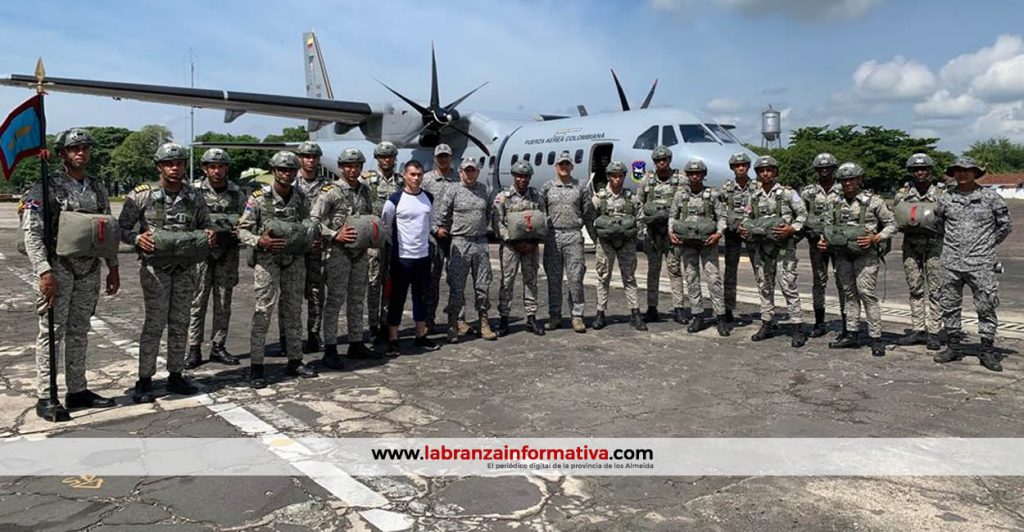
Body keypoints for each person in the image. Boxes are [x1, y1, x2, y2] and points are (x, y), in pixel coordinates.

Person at [22, 128, 119, 421]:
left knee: (79, 330)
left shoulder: (97, 187)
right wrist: (44, 271)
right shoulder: (46, 186)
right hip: (59, 267)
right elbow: (33, 233)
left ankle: (77, 390)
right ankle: (46, 395)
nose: (81, 152)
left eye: (85, 148)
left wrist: (112, 266)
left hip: (88, 268)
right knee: (51, 332)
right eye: (74, 148)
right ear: (62, 153)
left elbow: (105, 229)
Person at [118, 142, 214, 403]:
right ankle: (145, 379)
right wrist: (138, 239)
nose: (175, 167)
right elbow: (122, 228)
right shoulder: (142, 195)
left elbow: (206, 225)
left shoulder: (195, 196)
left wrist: (208, 235)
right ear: (159, 166)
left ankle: (175, 374)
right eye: (169, 163)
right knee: (154, 323)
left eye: (180, 163)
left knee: (181, 323)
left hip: (185, 269)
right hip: (156, 269)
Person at [237, 151, 319, 388]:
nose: (287, 174)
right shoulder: (259, 199)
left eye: (292, 170)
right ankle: (256, 366)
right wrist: (258, 241)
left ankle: (295, 359)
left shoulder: (302, 197)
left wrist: (310, 236)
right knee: (263, 312)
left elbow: (309, 223)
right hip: (268, 262)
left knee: (293, 311)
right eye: (282, 169)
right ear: (273, 171)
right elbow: (242, 229)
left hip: (294, 261)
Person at [934, 157, 1013, 371]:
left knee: (986, 306)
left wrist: (987, 244)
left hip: (981, 262)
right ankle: (953, 347)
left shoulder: (990, 198)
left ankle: (987, 350)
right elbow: (940, 224)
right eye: (958, 170)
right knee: (949, 305)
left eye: (967, 170)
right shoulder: (946, 199)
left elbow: (1005, 226)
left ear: (975, 173)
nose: (962, 174)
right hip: (951, 261)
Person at [818, 163, 897, 357]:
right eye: (844, 180)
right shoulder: (834, 202)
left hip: (866, 256)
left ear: (860, 180)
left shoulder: (874, 202)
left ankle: (876, 338)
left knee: (867, 294)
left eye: (852, 179)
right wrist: (823, 241)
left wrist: (876, 238)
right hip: (843, 254)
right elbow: (828, 225)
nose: (848, 183)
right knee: (849, 294)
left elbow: (892, 224)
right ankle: (851, 334)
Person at [311, 148, 377, 369]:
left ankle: (355, 342)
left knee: (357, 299)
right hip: (338, 253)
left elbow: (367, 216)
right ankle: (330, 348)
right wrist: (334, 234)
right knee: (335, 300)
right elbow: (314, 221)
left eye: (357, 165)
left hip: (359, 253)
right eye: (348, 165)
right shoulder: (331, 191)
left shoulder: (365, 191)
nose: (352, 169)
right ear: (340, 167)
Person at [739, 155, 808, 347]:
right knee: (764, 285)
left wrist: (792, 229)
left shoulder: (788, 193)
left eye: (769, 170)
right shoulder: (753, 196)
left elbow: (802, 214)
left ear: (775, 172)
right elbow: (746, 217)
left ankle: (797, 327)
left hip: (784, 248)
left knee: (788, 286)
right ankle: (767, 323)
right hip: (762, 247)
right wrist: (745, 229)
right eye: (761, 170)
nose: (765, 173)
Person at [186, 148, 244, 369]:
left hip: (227, 253)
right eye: (212, 166)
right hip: (201, 255)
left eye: (220, 166)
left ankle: (219, 346)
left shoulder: (237, 193)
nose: (217, 171)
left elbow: (245, 220)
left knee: (223, 302)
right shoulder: (193, 192)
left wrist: (233, 229)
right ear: (204, 168)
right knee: (197, 302)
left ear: (227, 168)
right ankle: (194, 348)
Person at [381, 160, 441, 355]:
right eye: (412, 174)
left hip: (423, 256)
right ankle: (393, 339)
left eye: (419, 174)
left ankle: (420, 336)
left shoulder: (429, 199)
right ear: (404, 176)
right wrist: (398, 245)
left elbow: (429, 223)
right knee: (397, 298)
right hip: (402, 258)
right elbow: (386, 226)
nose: (416, 178)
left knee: (420, 298)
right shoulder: (395, 200)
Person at [435, 157, 497, 342]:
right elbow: (441, 216)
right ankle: (453, 324)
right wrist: (440, 231)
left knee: (483, 286)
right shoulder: (452, 190)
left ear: (477, 172)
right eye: (466, 170)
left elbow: (487, 215)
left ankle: (484, 323)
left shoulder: (483, 190)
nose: (469, 174)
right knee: (456, 287)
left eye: (473, 170)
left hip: (480, 243)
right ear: (460, 172)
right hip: (460, 243)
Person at [668, 159, 730, 336]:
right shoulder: (681, 196)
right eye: (691, 174)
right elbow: (673, 216)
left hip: (707, 243)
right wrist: (671, 232)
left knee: (714, 279)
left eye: (698, 173)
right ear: (687, 176)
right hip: (687, 244)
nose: (695, 176)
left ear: (703, 175)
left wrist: (718, 234)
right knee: (691, 279)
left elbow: (722, 217)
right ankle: (697, 315)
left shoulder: (713, 195)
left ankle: (721, 317)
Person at [893, 153, 945, 351]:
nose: (920, 173)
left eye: (924, 169)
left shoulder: (943, 194)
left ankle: (933, 332)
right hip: (911, 244)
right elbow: (894, 217)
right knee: (915, 287)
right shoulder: (903, 194)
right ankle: (917, 329)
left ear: (931, 171)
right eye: (916, 170)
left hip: (935, 245)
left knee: (936, 289)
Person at [492, 160, 547, 337]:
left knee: (531, 281)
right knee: (507, 281)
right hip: (510, 247)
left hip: (531, 246)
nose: (522, 179)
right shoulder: (503, 197)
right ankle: (504, 319)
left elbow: (543, 220)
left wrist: (534, 241)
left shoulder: (535, 196)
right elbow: (497, 224)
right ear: (514, 176)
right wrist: (513, 241)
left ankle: (531, 318)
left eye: (526, 176)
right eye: (519, 176)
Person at [542, 151, 595, 332]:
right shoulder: (547, 187)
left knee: (575, 278)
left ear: (572, 167)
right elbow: (541, 214)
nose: (564, 167)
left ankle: (577, 316)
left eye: (567, 164)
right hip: (553, 237)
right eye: (561, 164)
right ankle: (555, 315)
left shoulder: (580, 188)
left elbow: (588, 214)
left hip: (573, 236)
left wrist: (595, 238)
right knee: (554, 280)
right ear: (556, 166)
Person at [591, 161, 646, 331]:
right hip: (605, 243)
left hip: (627, 243)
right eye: (614, 176)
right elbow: (590, 217)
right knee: (603, 277)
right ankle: (600, 313)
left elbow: (640, 217)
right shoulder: (599, 198)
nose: (617, 179)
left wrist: (636, 236)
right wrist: (597, 239)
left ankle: (635, 313)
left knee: (629, 277)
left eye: (620, 176)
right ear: (608, 177)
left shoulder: (630, 197)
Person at [636, 145, 689, 323]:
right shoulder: (647, 180)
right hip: (652, 234)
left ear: (669, 160)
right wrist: (642, 230)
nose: (661, 163)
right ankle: (652, 308)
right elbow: (639, 205)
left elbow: (688, 205)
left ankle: (679, 308)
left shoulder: (681, 180)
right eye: (658, 160)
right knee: (653, 271)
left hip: (672, 234)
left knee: (674, 270)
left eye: (664, 159)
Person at [361, 141, 403, 343]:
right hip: (373, 239)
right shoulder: (366, 181)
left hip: (394, 240)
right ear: (377, 159)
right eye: (382, 157)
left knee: (390, 282)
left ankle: (386, 322)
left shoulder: (401, 182)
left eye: (390, 156)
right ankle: (373, 325)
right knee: (373, 282)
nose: (386, 160)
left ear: (395, 159)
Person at [292, 141, 329, 354]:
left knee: (316, 293)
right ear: (300, 158)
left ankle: (314, 334)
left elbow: (333, 217)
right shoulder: (290, 182)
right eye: (306, 156)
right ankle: (288, 337)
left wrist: (322, 235)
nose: (310, 160)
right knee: (291, 294)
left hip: (317, 247)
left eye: (314, 156)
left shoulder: (327, 186)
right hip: (295, 249)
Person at [802, 153, 843, 338]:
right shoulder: (808, 193)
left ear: (834, 169)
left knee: (843, 281)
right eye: (820, 168)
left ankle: (847, 322)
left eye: (828, 168)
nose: (824, 171)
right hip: (816, 244)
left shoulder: (844, 190)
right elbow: (801, 216)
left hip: (839, 244)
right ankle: (819, 322)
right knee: (818, 281)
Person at [421, 144, 458, 331]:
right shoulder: (426, 180)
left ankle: (457, 318)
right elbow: (421, 208)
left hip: (455, 236)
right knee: (432, 280)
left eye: (446, 156)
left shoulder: (458, 178)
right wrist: (435, 229)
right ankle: (428, 320)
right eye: (440, 156)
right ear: (435, 158)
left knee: (456, 279)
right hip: (433, 237)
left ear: (451, 157)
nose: (443, 159)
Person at [721, 152, 756, 324]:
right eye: (737, 165)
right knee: (730, 271)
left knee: (760, 270)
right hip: (732, 234)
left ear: (748, 167)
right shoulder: (726, 188)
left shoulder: (756, 187)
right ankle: (728, 308)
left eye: (743, 165)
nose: (740, 168)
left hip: (752, 234)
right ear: (732, 168)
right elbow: (719, 209)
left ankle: (766, 310)